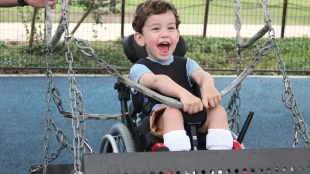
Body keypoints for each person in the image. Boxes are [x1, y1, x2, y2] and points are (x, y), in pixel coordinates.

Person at [129, 0, 233, 151]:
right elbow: (158, 80)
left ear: (177, 35)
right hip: (155, 122)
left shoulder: (187, 64)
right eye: (156, 29)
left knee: (218, 112)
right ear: (140, 38)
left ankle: (220, 162)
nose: (165, 34)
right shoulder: (139, 68)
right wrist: (183, 94)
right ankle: (181, 165)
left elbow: (203, 76)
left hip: (192, 116)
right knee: (172, 113)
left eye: (170, 28)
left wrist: (208, 87)